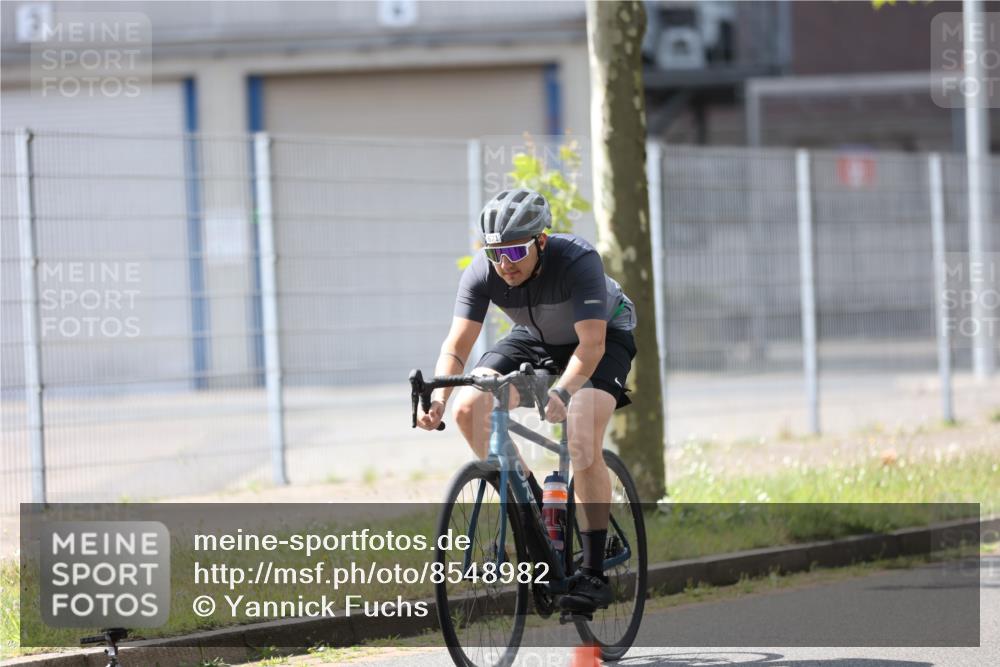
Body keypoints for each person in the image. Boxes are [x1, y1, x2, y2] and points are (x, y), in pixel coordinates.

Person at [416, 187, 637, 614]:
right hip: (535, 339)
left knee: (580, 432)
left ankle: (592, 572)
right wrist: (439, 398)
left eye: (516, 252)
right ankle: (532, 512)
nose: (505, 265)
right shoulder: (484, 272)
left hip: (602, 335)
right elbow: (457, 345)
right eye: (496, 253)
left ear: (541, 240)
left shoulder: (577, 259)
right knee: (469, 407)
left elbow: (590, 346)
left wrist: (563, 390)